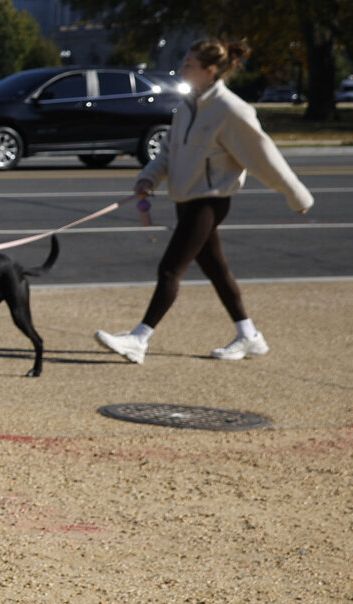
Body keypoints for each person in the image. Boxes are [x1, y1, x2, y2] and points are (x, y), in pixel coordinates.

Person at [95, 40, 312, 364]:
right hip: (187, 199)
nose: (182, 70)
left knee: (170, 270)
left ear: (210, 71)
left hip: (210, 201)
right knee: (217, 270)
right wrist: (148, 178)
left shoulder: (231, 110)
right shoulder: (187, 108)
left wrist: (297, 196)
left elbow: (264, 157)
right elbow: (168, 152)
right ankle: (250, 336)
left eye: (189, 65)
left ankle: (139, 339)